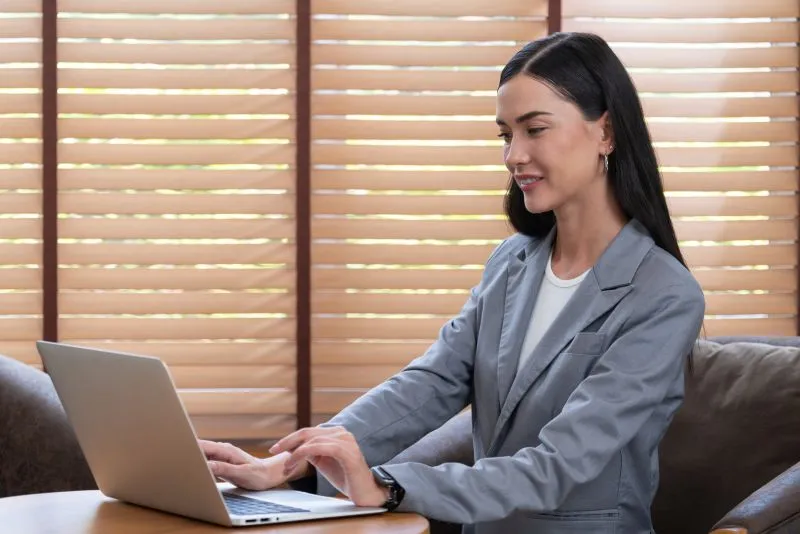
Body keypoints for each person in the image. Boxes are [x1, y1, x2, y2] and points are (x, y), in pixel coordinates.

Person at [200, 32, 705, 534]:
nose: (513, 156)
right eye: (507, 135)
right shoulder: (512, 263)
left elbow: (560, 464)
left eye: (535, 129)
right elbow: (431, 382)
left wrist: (388, 487)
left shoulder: (663, 295)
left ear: (607, 133)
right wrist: (294, 464)